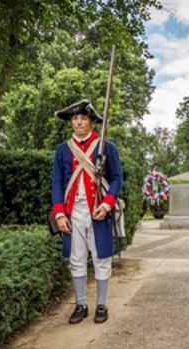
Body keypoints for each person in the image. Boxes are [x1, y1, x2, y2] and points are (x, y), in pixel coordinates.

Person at [51, 99, 123, 324]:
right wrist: (60, 213)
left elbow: (117, 178)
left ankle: (102, 304)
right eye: (75, 118)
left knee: (102, 259)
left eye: (83, 118)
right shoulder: (63, 150)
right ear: (71, 122)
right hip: (73, 212)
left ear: (92, 122)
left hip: (97, 211)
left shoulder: (105, 147)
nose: (79, 121)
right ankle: (81, 304)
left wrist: (107, 204)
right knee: (76, 259)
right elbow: (57, 184)